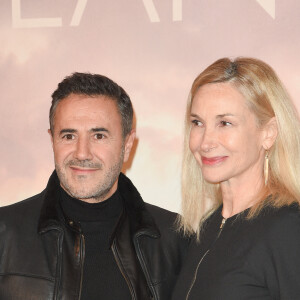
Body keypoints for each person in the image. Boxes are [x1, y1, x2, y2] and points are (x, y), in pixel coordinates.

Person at [0, 72, 188, 300]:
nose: (82, 153)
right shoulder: (5, 233)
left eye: (99, 136)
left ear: (127, 144)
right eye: (69, 136)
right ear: (52, 141)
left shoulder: (176, 240)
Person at [172, 57, 300, 299]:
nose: (205, 142)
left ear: (269, 133)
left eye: (225, 123)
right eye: (197, 122)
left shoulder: (288, 228)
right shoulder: (208, 226)